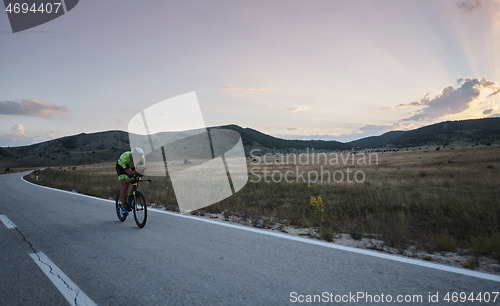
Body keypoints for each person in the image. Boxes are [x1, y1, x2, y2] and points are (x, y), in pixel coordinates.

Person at [116, 147, 146, 215]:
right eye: (135, 158)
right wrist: (139, 170)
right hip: (122, 168)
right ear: (131, 155)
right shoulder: (125, 157)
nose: (137, 160)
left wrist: (142, 171)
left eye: (138, 158)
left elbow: (141, 172)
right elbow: (129, 173)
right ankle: (123, 206)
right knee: (125, 184)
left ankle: (132, 199)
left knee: (137, 182)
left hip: (133, 167)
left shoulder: (142, 158)